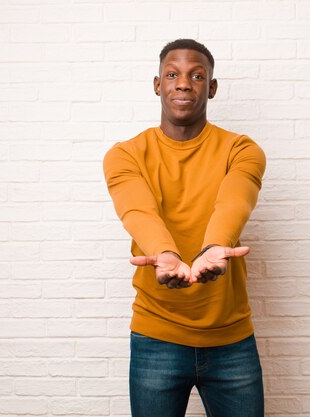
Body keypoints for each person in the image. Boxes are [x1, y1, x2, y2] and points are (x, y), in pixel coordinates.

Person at [103, 39, 266, 417]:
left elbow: (235, 201)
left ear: (211, 87)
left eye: (196, 75)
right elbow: (137, 210)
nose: (183, 84)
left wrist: (214, 246)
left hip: (231, 339)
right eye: (172, 74)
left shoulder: (242, 149)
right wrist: (167, 254)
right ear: (158, 84)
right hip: (155, 336)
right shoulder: (125, 154)